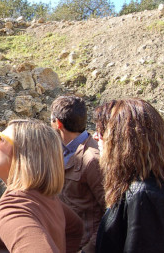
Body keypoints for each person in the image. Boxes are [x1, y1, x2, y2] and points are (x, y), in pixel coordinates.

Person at [0, 118, 83, 252]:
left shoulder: (13, 209)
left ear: (23, 153)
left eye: (0, 139)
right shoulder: (46, 199)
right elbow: (76, 227)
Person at [94, 98, 164, 252]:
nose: (95, 137)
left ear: (120, 140)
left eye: (101, 132)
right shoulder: (140, 185)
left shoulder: (144, 194)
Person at [50, 95, 105, 253]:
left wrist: (88, 250)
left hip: (83, 246)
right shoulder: (59, 150)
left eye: (51, 120)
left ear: (58, 123)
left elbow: (111, 213)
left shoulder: (92, 160)